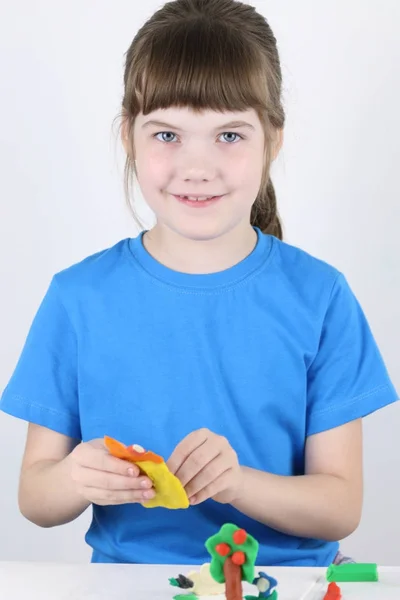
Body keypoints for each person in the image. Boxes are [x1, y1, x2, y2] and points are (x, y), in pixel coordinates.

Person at [0, 0, 397, 567]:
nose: (198, 166)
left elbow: (341, 506)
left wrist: (237, 483)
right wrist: (73, 477)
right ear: (127, 138)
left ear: (272, 142)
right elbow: (35, 498)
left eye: (229, 136)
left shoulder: (321, 296)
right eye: (166, 134)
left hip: (281, 581)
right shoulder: (77, 298)